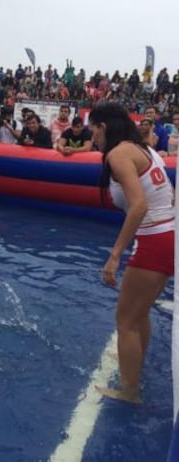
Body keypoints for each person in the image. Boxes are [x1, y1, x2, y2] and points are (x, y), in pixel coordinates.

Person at [89, 103, 174, 403]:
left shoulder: (119, 153)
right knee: (139, 313)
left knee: (125, 321)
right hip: (167, 235)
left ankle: (129, 390)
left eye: (93, 131)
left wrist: (115, 255)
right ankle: (134, 364)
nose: (92, 138)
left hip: (154, 239)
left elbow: (139, 205)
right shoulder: (144, 149)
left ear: (103, 127)